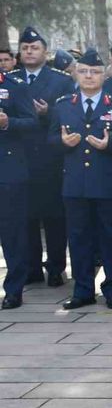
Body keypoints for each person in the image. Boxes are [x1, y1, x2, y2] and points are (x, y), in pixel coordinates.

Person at [49, 49, 112, 310]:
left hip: (109, 184)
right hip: (76, 184)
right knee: (78, 239)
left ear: (104, 75)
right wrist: (62, 142)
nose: (89, 76)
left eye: (95, 72)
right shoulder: (63, 105)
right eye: (84, 71)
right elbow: (50, 140)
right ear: (75, 74)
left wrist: (111, 145)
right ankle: (83, 290)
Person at [11, 27, 74, 289]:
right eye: (25, 48)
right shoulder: (10, 80)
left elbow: (69, 114)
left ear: (45, 52)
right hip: (19, 158)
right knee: (26, 217)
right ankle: (32, 268)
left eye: (34, 48)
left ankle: (56, 267)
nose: (29, 52)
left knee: (54, 217)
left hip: (51, 159)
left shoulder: (60, 80)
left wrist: (48, 113)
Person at [0, 61, 39, 309]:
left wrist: (7, 122)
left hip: (8, 171)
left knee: (12, 234)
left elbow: (31, 122)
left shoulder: (15, 86)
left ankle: (14, 289)